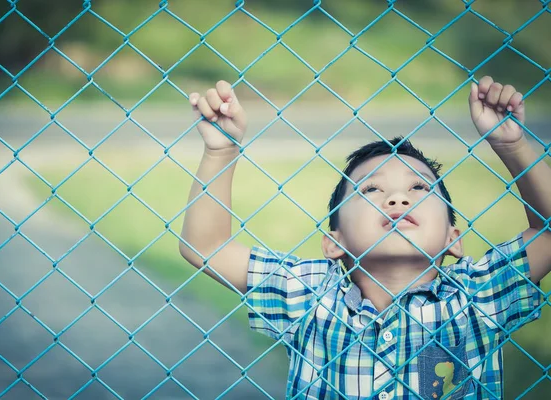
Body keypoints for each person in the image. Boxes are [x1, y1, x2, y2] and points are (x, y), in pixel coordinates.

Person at [178, 77, 550, 399]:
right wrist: (221, 150)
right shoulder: (310, 294)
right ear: (334, 242)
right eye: (370, 190)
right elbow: (206, 247)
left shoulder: (480, 293)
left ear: (454, 238)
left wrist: (512, 146)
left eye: (420, 187)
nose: (398, 199)